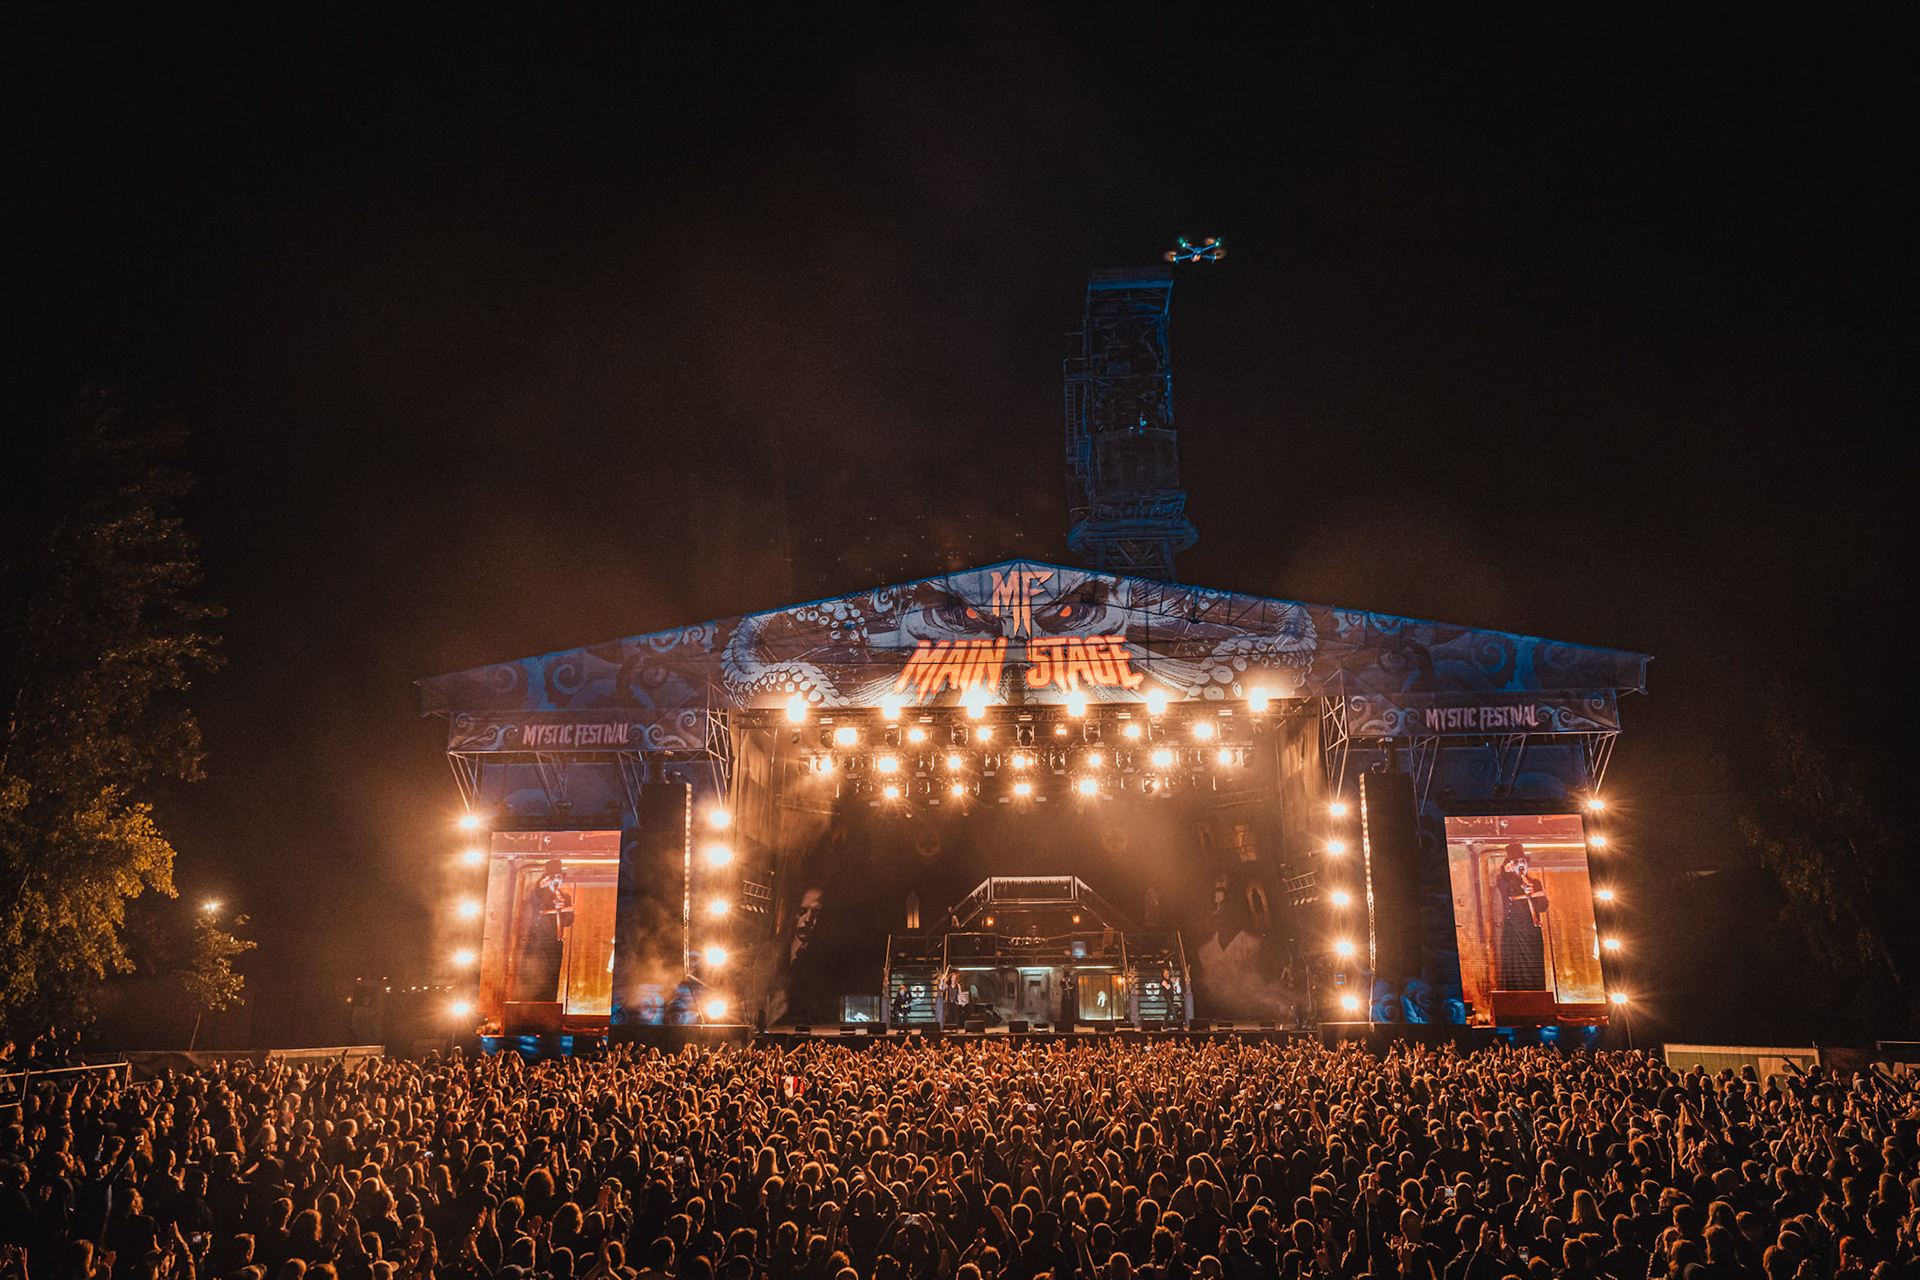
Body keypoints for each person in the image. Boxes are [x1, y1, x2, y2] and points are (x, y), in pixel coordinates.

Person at [1495, 846, 1548, 990]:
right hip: (1514, 934)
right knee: (1514, 969)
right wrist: (1505, 869)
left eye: (1523, 861)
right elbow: (1502, 880)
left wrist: (1533, 894)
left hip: (1531, 933)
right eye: (1517, 862)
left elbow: (1542, 907)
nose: (1521, 865)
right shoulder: (1507, 883)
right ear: (1511, 865)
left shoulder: (1535, 883)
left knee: (1534, 967)